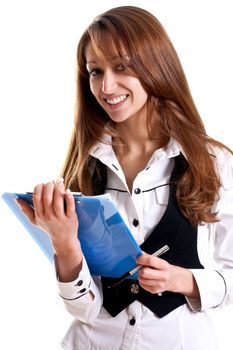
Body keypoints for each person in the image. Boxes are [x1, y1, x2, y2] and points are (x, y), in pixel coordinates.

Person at [19, 5, 233, 350]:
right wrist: (64, 244)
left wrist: (184, 280)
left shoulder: (211, 161)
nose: (106, 85)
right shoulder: (82, 167)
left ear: (155, 65)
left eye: (121, 67)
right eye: (95, 71)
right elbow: (84, 308)